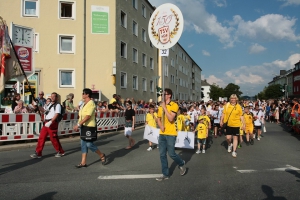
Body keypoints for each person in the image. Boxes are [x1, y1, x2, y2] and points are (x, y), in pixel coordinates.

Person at [156, 88, 186, 181]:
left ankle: (181, 163)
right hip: (162, 134)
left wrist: (164, 107)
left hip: (171, 133)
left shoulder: (174, 105)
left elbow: (171, 119)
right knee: (162, 155)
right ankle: (165, 174)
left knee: (171, 154)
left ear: (169, 95)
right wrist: (160, 126)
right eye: (162, 95)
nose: (163, 96)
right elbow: (158, 119)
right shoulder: (160, 107)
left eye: (164, 94)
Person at [73, 88, 106, 167]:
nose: (82, 95)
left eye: (83, 93)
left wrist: (78, 124)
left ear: (87, 94)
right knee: (83, 144)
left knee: (89, 144)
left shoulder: (91, 103)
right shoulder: (83, 104)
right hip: (83, 126)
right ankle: (83, 162)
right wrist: (79, 124)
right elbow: (81, 116)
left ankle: (101, 155)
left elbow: (88, 116)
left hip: (89, 127)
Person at [30, 92, 65, 159]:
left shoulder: (57, 105)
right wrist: (37, 106)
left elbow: (57, 114)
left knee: (53, 138)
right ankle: (38, 152)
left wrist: (51, 121)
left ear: (57, 98)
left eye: (54, 96)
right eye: (51, 96)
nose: (52, 97)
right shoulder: (49, 104)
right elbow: (44, 111)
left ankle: (60, 151)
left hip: (52, 122)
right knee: (41, 137)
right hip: (46, 122)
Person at [220, 94, 245, 158]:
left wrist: (244, 124)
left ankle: (234, 151)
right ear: (230, 99)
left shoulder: (239, 106)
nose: (233, 100)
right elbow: (223, 113)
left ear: (236, 99)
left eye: (234, 98)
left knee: (235, 138)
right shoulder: (227, 105)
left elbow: (241, 116)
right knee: (228, 138)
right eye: (231, 98)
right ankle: (229, 144)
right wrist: (221, 120)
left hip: (236, 124)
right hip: (228, 124)